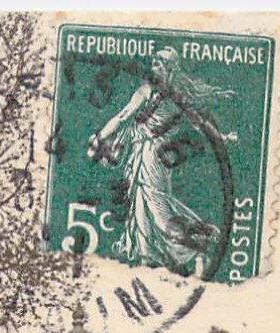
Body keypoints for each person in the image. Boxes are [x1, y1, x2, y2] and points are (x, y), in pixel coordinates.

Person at [88, 47, 234, 276]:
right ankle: (147, 259)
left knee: (157, 210)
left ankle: (195, 250)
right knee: (141, 207)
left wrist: (100, 138)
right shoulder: (153, 92)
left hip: (153, 156)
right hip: (143, 154)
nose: (154, 64)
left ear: (169, 67)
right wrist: (102, 136)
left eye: (160, 61)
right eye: (154, 60)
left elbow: (125, 116)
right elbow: (125, 116)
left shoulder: (164, 94)